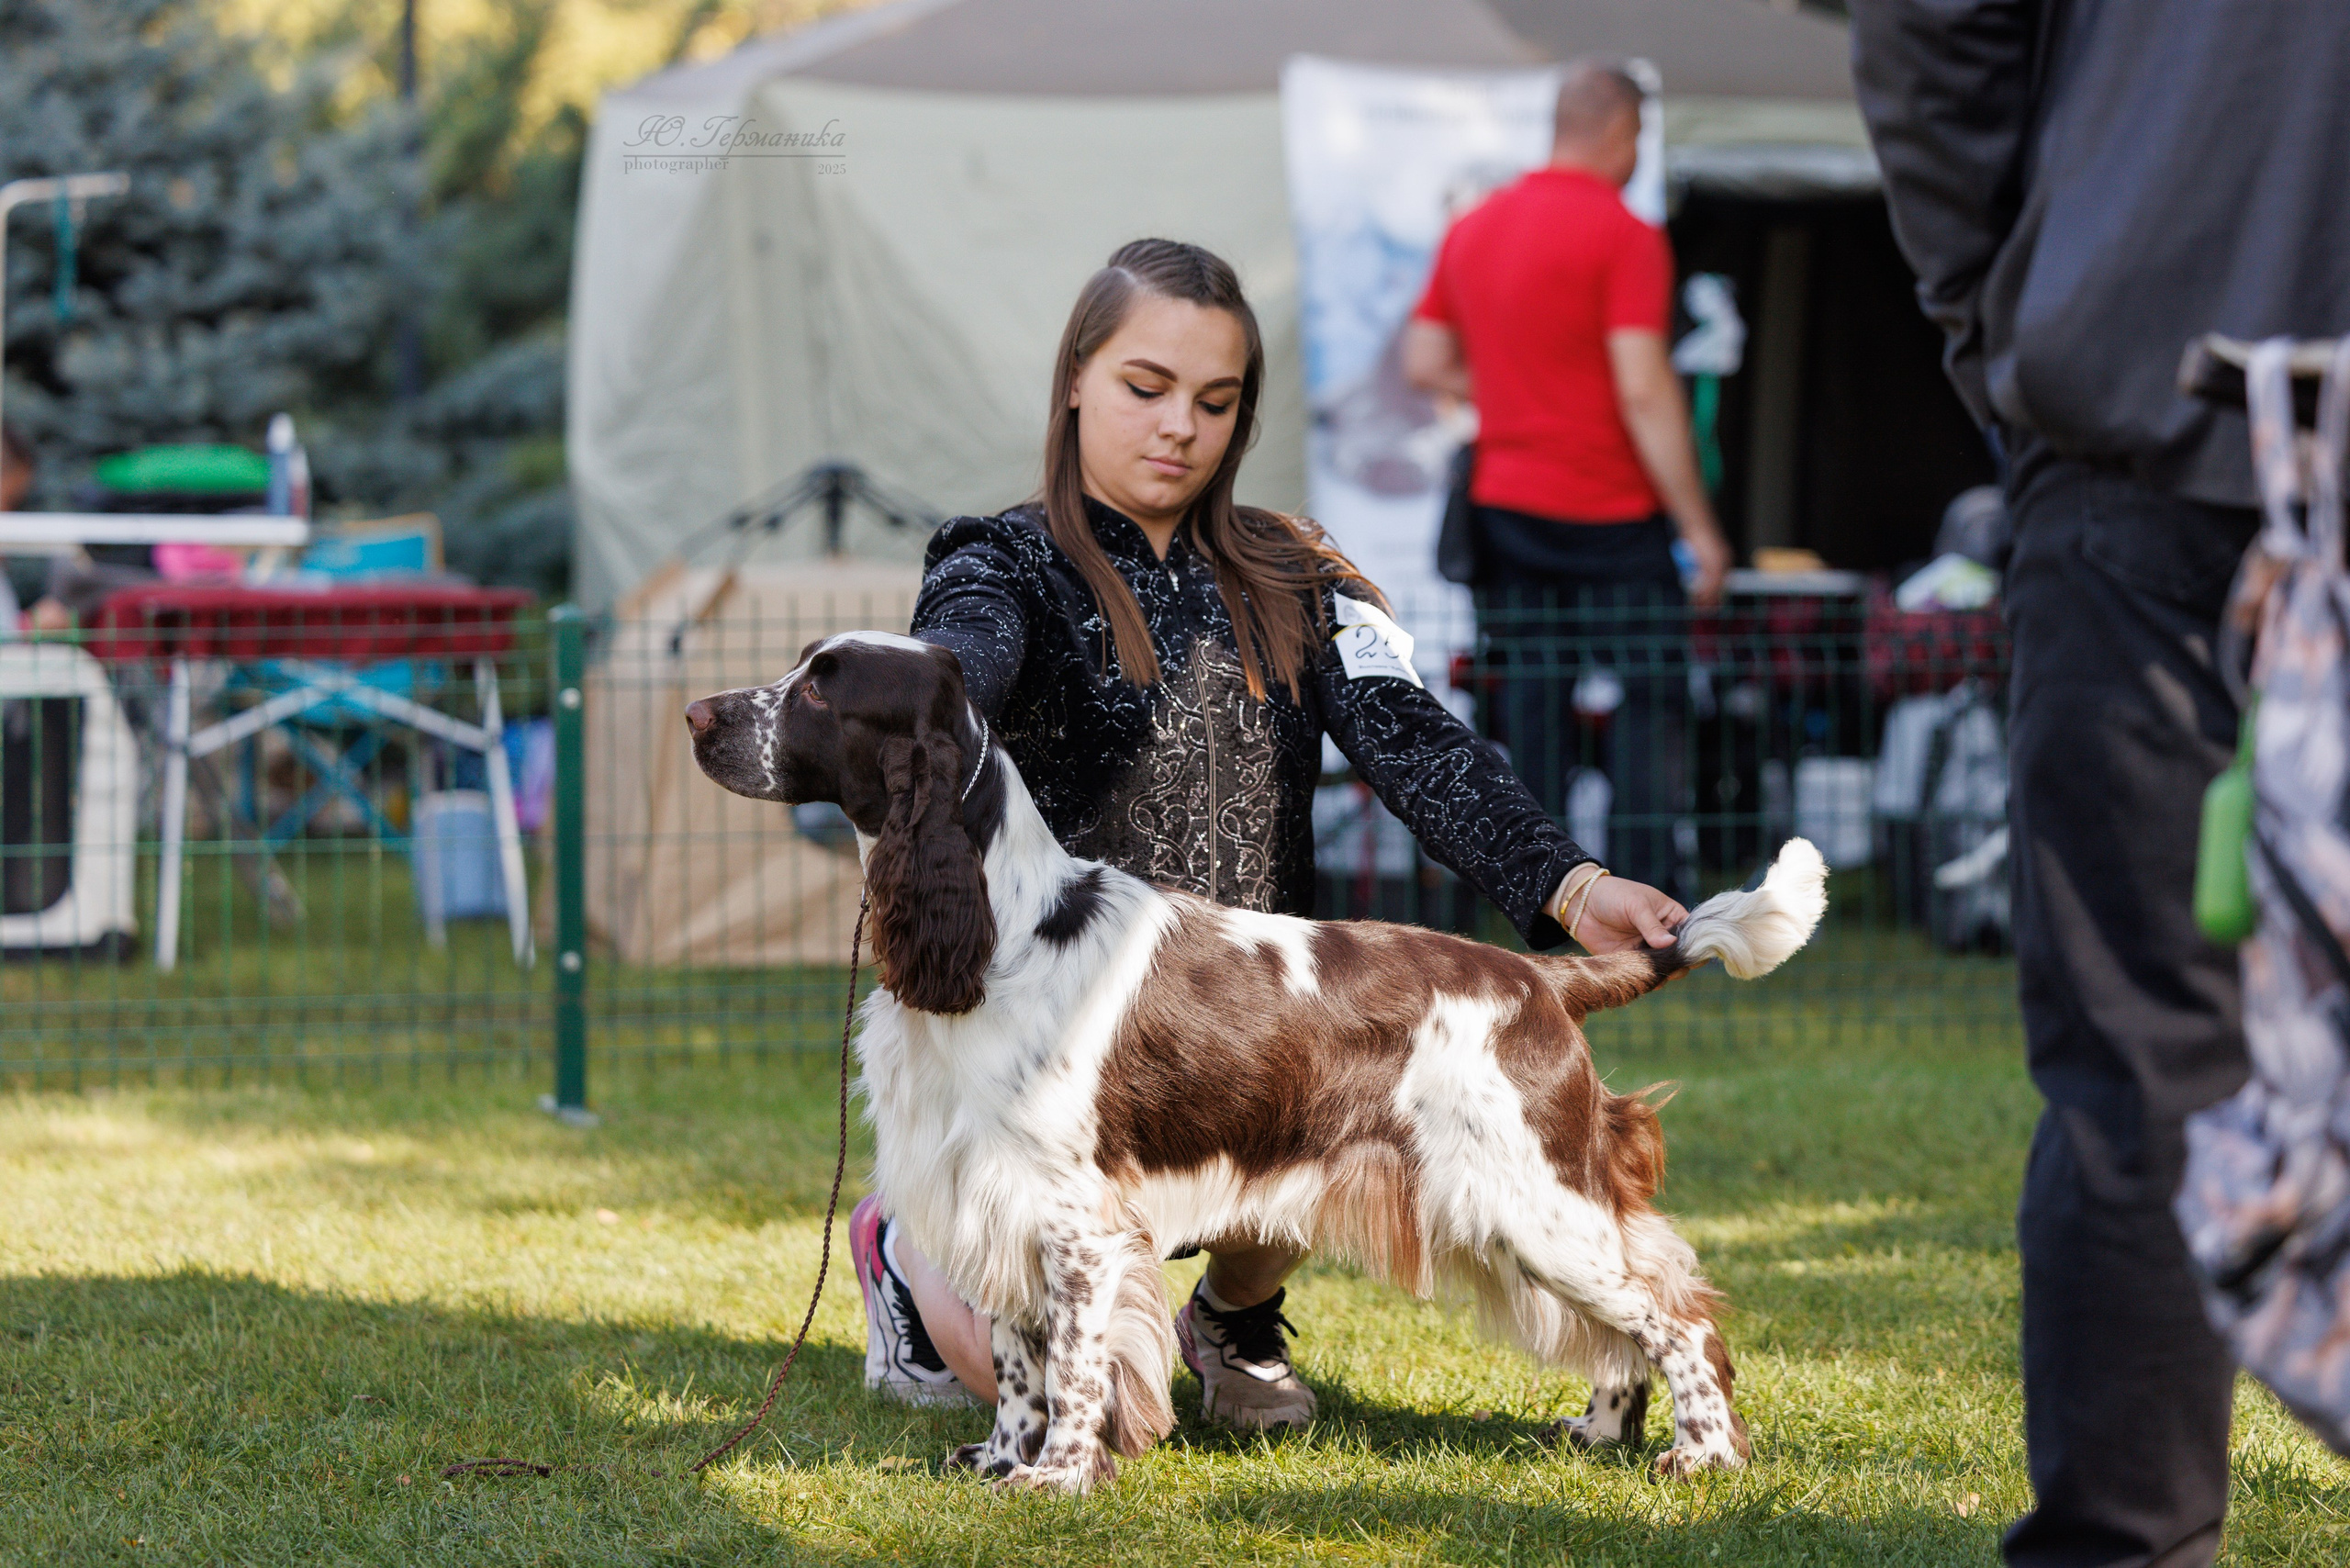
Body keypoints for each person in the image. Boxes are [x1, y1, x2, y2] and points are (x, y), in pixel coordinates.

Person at [848, 237, 1695, 1431]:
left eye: (1215, 401)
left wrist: (1568, 884)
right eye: (1146, 389)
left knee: (1340, 1101)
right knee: (1028, 1381)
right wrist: (942, 694)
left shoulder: (1299, 574)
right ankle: (900, 1247)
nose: (1178, 429)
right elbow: (961, 658)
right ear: (1076, 379)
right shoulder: (996, 562)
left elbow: (1412, 738)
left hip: (1244, 1046)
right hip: (1043, 1058)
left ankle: (1233, 1317)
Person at [1853, 4, 2350, 1564]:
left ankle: (2128, 1541)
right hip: (2151, 429)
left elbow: (1937, 37)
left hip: (2153, 406)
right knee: (2148, 1057)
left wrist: (2022, 315)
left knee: (2146, 1062)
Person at [1401, 61, 1731, 900]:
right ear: (1625, 133)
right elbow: (1644, 387)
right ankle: (1649, 892)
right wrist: (1697, 525)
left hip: (1507, 508)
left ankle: (1540, 894)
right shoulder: (1625, 235)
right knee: (1648, 700)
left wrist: (1512, 388)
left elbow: (1424, 358)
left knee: (1532, 703)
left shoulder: (1476, 228)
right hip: (1610, 511)